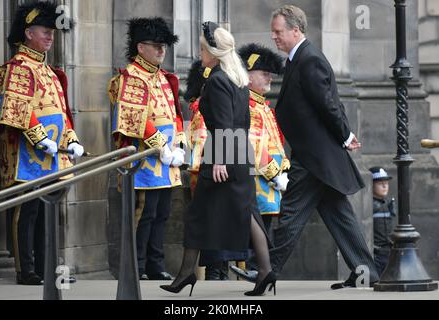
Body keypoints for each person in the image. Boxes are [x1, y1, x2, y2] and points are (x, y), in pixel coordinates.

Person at [231, 5, 379, 289]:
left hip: (314, 157)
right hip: (314, 155)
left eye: (278, 31)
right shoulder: (298, 59)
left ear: (295, 30)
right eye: (273, 31)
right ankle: (366, 273)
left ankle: (266, 269)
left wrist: (346, 136)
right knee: (339, 215)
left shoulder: (309, 59)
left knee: (290, 215)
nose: (273, 36)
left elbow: (328, 104)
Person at [160, 22, 276, 296]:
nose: (200, 53)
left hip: (222, 152)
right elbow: (244, 123)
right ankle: (264, 271)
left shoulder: (218, 80)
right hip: (238, 150)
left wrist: (221, 160)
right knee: (247, 212)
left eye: (202, 48)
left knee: (200, 214)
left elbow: (222, 122)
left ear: (214, 52)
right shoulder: (237, 78)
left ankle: (187, 274)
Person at [0, 1, 83, 285]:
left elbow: (62, 114)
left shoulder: (49, 71)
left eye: (52, 33)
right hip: (27, 154)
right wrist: (40, 138)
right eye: (45, 31)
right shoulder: (19, 67)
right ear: (29, 32)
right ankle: (26, 269)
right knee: (26, 213)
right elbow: (17, 107)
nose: (51, 37)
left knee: (46, 214)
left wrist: (72, 139)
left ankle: (45, 267)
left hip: (54, 155)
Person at [108, 17, 185, 281]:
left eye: (163, 46)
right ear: (141, 47)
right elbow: (134, 119)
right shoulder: (131, 76)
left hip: (167, 157)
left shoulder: (164, 77)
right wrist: (161, 146)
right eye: (156, 46)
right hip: (144, 159)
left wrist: (180, 144)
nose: (162, 50)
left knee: (162, 213)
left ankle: (155, 263)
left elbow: (175, 114)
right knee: (145, 213)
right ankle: (136, 265)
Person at [184, 60, 248, 281]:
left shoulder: (220, 84)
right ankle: (208, 271)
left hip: (223, 156)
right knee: (215, 217)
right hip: (218, 158)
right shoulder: (224, 85)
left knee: (223, 217)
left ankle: (263, 269)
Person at [238, 43, 290, 234]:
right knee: (256, 236)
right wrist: (275, 173)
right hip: (257, 182)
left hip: (271, 183)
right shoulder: (248, 107)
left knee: (265, 234)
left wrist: (283, 170)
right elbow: (254, 147)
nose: (269, 77)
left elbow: (277, 145)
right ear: (248, 76)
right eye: (264, 73)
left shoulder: (264, 107)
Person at [369, 167, 396, 276]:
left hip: (388, 253)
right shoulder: (369, 205)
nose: (385, 186)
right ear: (371, 185)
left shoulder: (388, 203)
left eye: (386, 183)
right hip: (375, 255)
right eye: (380, 183)